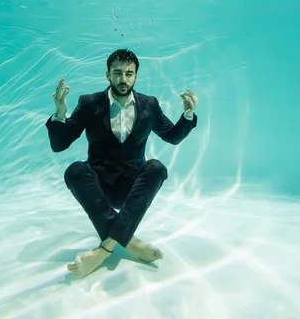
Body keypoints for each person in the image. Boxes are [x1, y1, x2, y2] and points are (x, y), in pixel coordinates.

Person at [45, 49, 198, 277]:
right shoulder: (89, 103)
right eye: (117, 72)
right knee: (75, 170)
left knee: (157, 167)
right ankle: (130, 242)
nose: (123, 79)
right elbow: (59, 144)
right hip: (99, 189)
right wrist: (60, 113)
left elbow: (172, 136)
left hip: (131, 190)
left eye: (129, 73)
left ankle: (103, 252)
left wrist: (187, 115)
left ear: (136, 75)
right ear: (107, 74)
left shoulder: (149, 104)